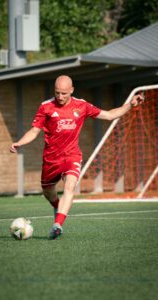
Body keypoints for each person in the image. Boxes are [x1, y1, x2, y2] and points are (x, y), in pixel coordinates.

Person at [9, 75, 144, 239]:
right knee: (47, 192)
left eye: (64, 93)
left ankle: (57, 224)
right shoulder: (46, 107)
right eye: (57, 92)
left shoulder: (82, 105)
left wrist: (130, 105)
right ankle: (57, 207)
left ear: (72, 90)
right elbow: (34, 131)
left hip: (72, 156)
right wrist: (19, 143)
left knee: (70, 187)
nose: (60, 97)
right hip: (51, 159)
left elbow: (109, 115)